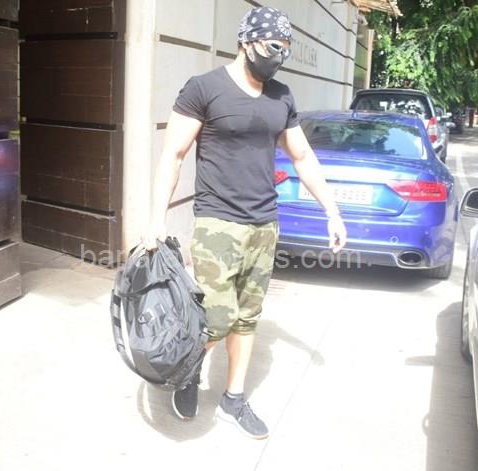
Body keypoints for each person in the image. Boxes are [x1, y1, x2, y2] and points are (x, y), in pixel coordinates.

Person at [143, 6, 347, 439]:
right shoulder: (203, 89)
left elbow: (302, 156)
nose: (279, 57)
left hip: (264, 224)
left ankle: (234, 398)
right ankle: (186, 371)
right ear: (247, 42)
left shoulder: (281, 96)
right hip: (218, 222)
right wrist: (156, 218)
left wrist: (332, 210)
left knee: (248, 317)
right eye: (274, 47)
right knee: (217, 316)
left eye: (285, 50)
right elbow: (173, 155)